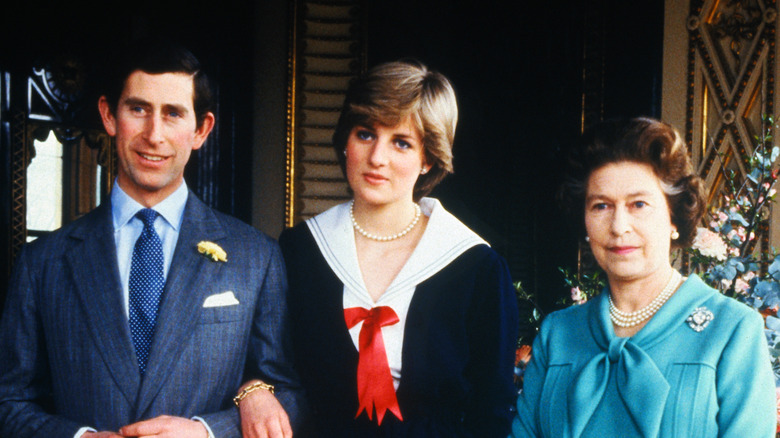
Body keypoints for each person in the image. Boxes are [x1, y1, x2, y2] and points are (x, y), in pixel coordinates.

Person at [0, 40, 302, 438]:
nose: (153, 134)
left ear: (201, 130)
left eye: (173, 113)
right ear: (109, 116)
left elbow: (291, 398)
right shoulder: (42, 262)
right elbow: (9, 403)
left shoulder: (256, 256)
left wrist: (209, 431)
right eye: (138, 109)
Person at [239, 60, 519, 437]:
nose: (377, 158)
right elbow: (264, 365)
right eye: (366, 134)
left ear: (428, 159)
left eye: (401, 142)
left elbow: (492, 411)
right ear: (345, 141)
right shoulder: (299, 251)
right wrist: (251, 390)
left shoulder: (476, 267)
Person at [512, 117, 777, 437]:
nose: (619, 226)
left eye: (638, 204)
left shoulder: (732, 330)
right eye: (601, 206)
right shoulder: (558, 334)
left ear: (674, 217)